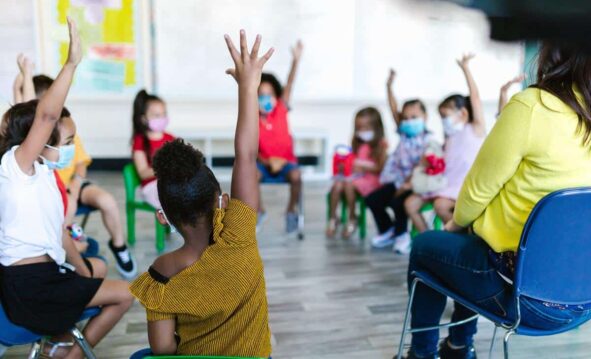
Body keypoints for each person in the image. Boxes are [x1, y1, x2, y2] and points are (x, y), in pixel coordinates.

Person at [400, 41, 591, 359]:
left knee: (426, 248)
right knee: (470, 246)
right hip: (581, 299)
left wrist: (455, 223)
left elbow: (477, 191)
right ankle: (459, 346)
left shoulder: (533, 106)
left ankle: (421, 353)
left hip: (521, 295)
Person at [130, 30, 273, 357]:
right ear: (222, 201)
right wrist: (248, 87)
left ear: (164, 217)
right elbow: (246, 155)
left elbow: (163, 348)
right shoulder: (239, 236)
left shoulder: (162, 272)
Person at [0, 18, 132, 359]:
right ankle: (69, 355)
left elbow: (59, 233)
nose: (72, 146)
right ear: (41, 142)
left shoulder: (41, 172)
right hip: (31, 288)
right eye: (67, 140)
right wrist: (71, 63)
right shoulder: (15, 167)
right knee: (127, 293)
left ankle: (62, 348)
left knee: (99, 271)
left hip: (46, 277)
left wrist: (84, 270)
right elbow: (41, 117)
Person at [13, 69, 137, 280]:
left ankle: (119, 246)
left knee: (107, 201)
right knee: (68, 207)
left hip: (75, 184)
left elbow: (80, 162)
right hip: (57, 193)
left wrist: (77, 185)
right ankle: (69, 249)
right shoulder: (30, 142)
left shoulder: (66, 128)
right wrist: (20, 83)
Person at [404, 54, 486, 235]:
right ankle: (429, 240)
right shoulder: (449, 136)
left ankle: (463, 239)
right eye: (441, 117)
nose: (443, 121)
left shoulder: (475, 129)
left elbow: (475, 98)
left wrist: (465, 68)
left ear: (463, 113)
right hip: (444, 185)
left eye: (445, 116)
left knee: (441, 205)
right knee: (410, 204)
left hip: (464, 187)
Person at [367, 69, 431, 253]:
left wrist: (407, 184)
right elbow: (393, 108)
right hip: (397, 180)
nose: (409, 121)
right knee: (373, 200)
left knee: (398, 204)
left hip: (413, 184)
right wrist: (389, 86)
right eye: (405, 118)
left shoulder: (428, 141)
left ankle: (403, 235)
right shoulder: (404, 132)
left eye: (414, 117)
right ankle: (389, 230)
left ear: (425, 117)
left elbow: (422, 168)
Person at [256, 40, 303, 234]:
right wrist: (267, 162)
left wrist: (296, 61)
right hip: (264, 164)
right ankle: (259, 210)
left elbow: (290, 84)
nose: (266, 99)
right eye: (261, 95)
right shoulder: (252, 118)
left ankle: (291, 210)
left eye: (270, 94)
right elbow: (251, 150)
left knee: (296, 176)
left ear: (277, 96)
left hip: (287, 163)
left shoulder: (281, 110)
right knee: (251, 175)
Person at [326, 107, 387, 239]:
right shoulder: (358, 144)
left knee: (348, 184)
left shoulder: (382, 144)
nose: (362, 131)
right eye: (359, 128)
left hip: (372, 180)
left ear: (376, 127)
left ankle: (352, 217)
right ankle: (333, 218)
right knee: (337, 185)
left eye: (366, 127)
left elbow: (380, 168)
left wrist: (362, 167)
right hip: (355, 177)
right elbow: (351, 161)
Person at [131, 89, 175, 210]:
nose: (162, 118)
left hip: (172, 184)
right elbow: (143, 173)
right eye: (157, 115)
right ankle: (176, 227)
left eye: (164, 114)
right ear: (144, 119)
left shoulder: (170, 138)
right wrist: (166, 168)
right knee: (173, 203)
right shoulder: (139, 141)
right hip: (151, 187)